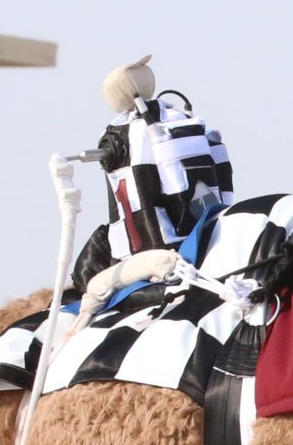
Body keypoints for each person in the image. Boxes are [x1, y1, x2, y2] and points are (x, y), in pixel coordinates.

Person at [69, 58, 236, 305]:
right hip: (212, 232)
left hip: (153, 249)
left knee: (90, 279)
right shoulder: (179, 117)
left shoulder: (125, 132)